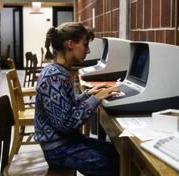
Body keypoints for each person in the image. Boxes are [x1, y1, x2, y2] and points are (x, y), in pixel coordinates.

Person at [34, 22, 120, 176]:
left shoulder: (59, 71)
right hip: (58, 149)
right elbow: (66, 123)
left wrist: (88, 95)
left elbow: (67, 108)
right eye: (85, 44)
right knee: (104, 163)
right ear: (70, 44)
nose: (88, 50)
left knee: (112, 151)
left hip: (66, 142)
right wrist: (95, 100)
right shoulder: (53, 77)